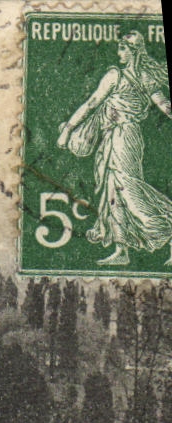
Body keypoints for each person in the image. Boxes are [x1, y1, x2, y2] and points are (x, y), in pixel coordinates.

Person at [57, 31, 172, 266]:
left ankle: (167, 228)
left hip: (123, 137)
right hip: (119, 137)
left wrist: (68, 129)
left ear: (133, 52)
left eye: (122, 49)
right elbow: (165, 106)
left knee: (128, 189)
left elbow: (91, 104)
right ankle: (122, 250)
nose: (119, 53)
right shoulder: (146, 77)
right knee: (114, 191)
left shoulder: (115, 75)